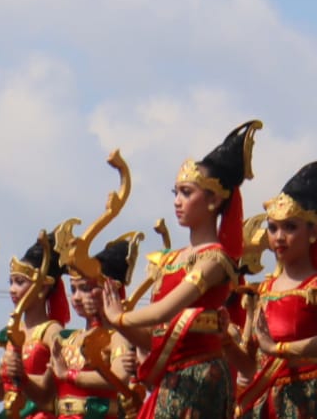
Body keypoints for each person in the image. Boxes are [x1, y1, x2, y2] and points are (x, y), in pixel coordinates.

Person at [102, 121, 261, 419]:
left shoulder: (215, 260)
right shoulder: (171, 259)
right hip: (170, 379)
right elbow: (154, 339)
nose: (177, 201)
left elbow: (164, 311)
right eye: (175, 192)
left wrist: (119, 316)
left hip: (200, 378)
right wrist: (122, 324)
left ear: (214, 199)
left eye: (186, 193)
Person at [238, 160, 317, 419]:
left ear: (312, 231)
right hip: (266, 402)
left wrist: (280, 350)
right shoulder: (261, 291)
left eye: (290, 227)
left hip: (309, 399)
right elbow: (248, 361)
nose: (279, 237)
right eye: (273, 227)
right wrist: (222, 340)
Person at [0, 233, 70, 419]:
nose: (12, 289)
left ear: (43, 287)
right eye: (11, 282)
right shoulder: (14, 333)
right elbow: (5, 393)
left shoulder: (52, 332)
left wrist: (1, 372)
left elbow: (51, 389)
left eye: (20, 282)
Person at [55, 236, 142, 419]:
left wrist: (70, 375)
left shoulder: (117, 337)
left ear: (111, 290)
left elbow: (119, 377)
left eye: (86, 288)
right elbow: (45, 394)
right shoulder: (68, 339)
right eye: (74, 289)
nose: (77, 298)